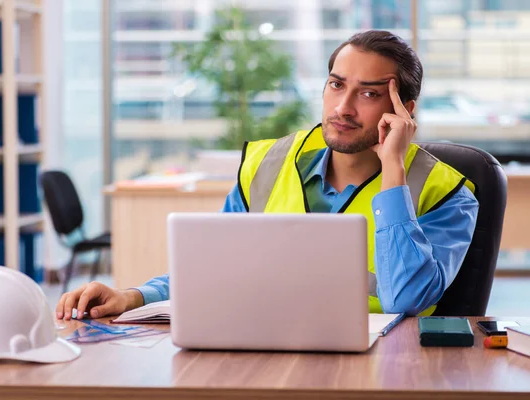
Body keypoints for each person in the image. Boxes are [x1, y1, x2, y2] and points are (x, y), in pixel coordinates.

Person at [57, 30, 479, 320]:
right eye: (336, 85)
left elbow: (404, 301)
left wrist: (393, 171)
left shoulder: (448, 193)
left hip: (384, 368)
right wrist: (131, 296)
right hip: (266, 351)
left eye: (368, 93)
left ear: (405, 108)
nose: (343, 108)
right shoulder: (267, 165)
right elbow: (213, 267)